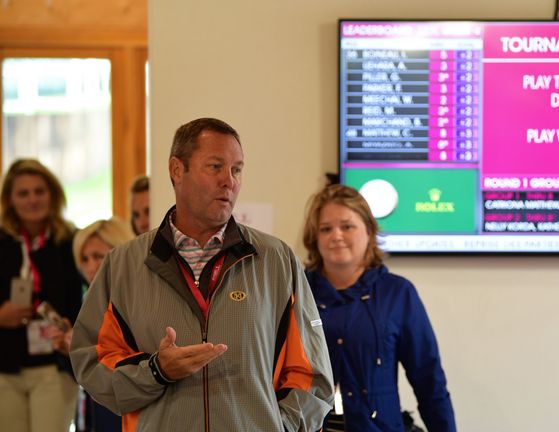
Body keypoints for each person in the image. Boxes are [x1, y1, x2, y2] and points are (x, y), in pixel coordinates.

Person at [70, 117, 334, 431]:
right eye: (215, 167)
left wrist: (279, 427)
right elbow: (92, 360)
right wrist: (155, 372)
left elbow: (311, 374)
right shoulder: (123, 265)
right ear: (176, 170)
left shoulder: (276, 260)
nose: (230, 181)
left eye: (237, 169)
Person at [302, 184, 456, 432]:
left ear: (369, 231)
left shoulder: (398, 294)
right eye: (326, 229)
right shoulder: (296, 293)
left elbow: (428, 380)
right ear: (314, 237)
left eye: (347, 226)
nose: (336, 236)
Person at [0, 159, 83, 432]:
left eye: (39, 191)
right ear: (10, 199)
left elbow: (91, 294)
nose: (32, 199)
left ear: (53, 194)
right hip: (5, 368)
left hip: (54, 366)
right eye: (23, 193)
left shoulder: (71, 241)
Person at [50, 218, 134, 432]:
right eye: (84, 259)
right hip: (95, 412)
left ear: (121, 251)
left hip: (128, 411)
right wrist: (71, 351)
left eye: (98, 256)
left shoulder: (135, 299)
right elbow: (86, 376)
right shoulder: (88, 303)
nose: (90, 267)